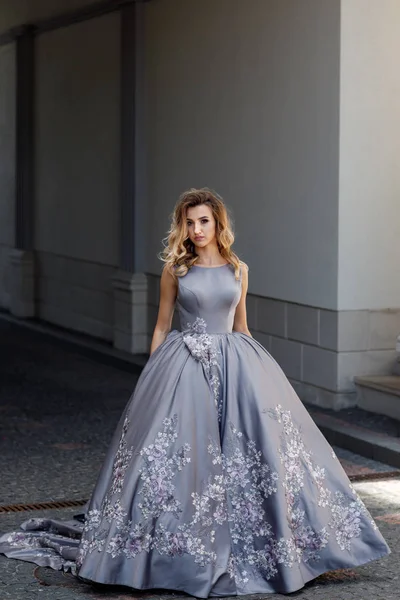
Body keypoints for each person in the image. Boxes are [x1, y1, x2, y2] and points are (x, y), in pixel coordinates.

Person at [0, 188, 390, 596]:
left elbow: (241, 327)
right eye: (189, 222)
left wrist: (262, 377)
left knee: (264, 453)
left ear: (218, 223)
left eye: (204, 220)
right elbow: (162, 326)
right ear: (182, 226)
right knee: (181, 459)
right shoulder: (176, 269)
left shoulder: (239, 269)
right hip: (184, 365)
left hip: (236, 365)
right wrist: (153, 375)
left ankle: (277, 544)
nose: (196, 229)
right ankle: (170, 552)